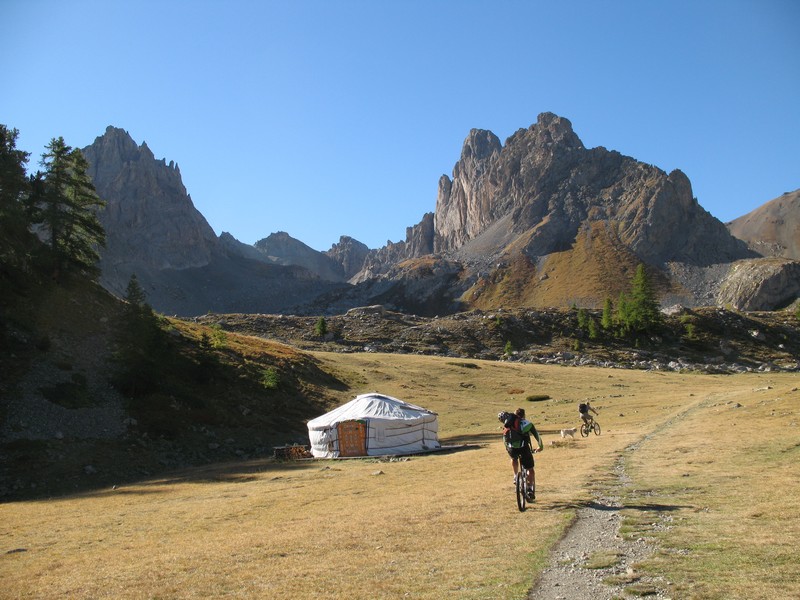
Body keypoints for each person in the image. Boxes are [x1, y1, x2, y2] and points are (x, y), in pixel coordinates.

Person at [498, 408, 543, 500]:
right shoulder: (527, 423)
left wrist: (508, 448)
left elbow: (504, 438)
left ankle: (515, 476)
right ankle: (530, 488)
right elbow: (536, 435)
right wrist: (540, 447)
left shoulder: (508, 424)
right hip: (523, 448)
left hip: (511, 448)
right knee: (530, 469)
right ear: (524, 415)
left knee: (514, 458)